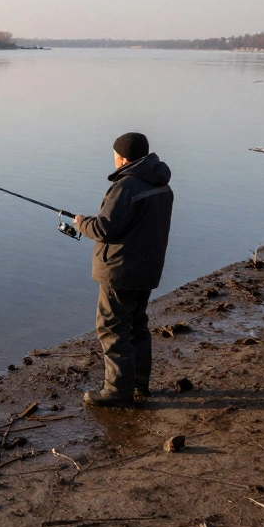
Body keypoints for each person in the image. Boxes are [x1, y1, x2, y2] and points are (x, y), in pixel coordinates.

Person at [73, 132, 173, 407]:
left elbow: (105, 228)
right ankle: (140, 385)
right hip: (147, 269)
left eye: (115, 154)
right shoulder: (161, 184)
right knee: (137, 326)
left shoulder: (127, 186)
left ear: (123, 157)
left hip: (120, 271)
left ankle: (117, 391)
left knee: (112, 328)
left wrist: (81, 222)